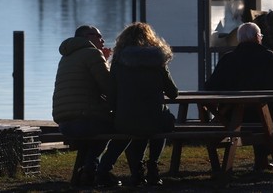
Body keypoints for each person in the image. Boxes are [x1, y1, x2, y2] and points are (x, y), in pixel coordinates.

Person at [204, 21, 273, 171]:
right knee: (266, 115)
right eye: (261, 35)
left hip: (230, 119)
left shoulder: (228, 59)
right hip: (266, 118)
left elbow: (210, 87)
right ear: (257, 37)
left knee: (257, 114)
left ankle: (228, 168)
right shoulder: (270, 58)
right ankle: (262, 161)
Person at [51, 24, 127, 187]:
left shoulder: (67, 56)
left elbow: (88, 83)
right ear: (86, 38)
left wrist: (103, 60)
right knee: (125, 128)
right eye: (98, 36)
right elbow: (108, 88)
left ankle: (87, 170)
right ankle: (100, 171)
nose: (102, 39)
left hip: (64, 123)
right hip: (84, 120)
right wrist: (106, 63)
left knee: (101, 127)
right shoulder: (92, 53)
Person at [110, 22, 179, 186]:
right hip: (154, 120)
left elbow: (112, 94)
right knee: (162, 121)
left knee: (135, 125)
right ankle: (153, 165)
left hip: (125, 120)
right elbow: (173, 93)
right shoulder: (157, 60)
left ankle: (137, 171)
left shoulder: (118, 62)